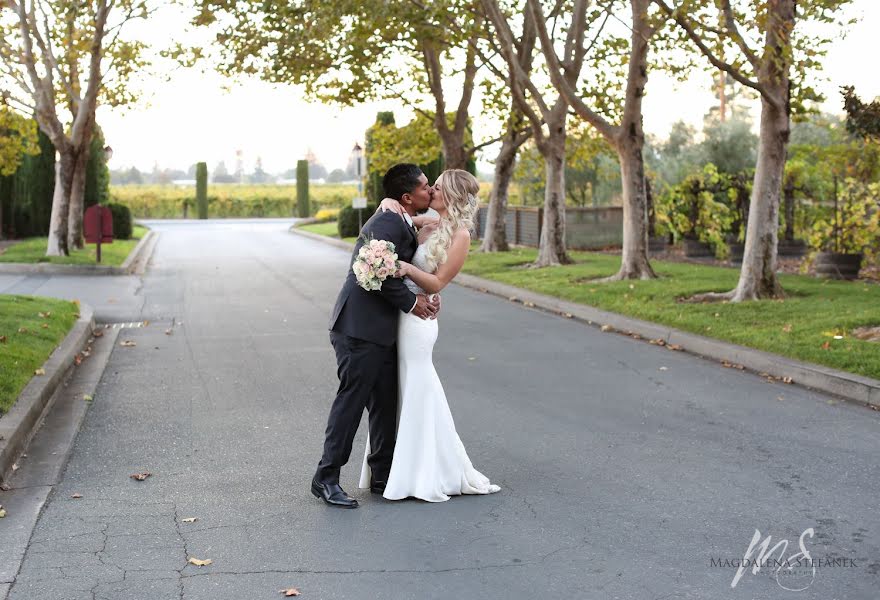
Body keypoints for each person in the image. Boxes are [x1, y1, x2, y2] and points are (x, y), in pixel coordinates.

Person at [358, 168, 501, 502]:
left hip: (419, 322)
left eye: (436, 187)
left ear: (449, 194)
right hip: (401, 315)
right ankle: (395, 467)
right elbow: (398, 214)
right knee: (401, 388)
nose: (430, 190)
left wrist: (406, 268)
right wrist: (386, 200)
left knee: (418, 387)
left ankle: (426, 471)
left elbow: (438, 283)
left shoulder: (461, 235)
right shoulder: (428, 222)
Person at [311, 163, 440, 509]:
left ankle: (382, 475)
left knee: (385, 404)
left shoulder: (400, 218)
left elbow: (401, 261)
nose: (430, 191)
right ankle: (326, 478)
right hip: (358, 329)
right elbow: (373, 268)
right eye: (426, 187)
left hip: (381, 331)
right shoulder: (387, 219)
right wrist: (413, 303)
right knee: (351, 404)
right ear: (407, 197)